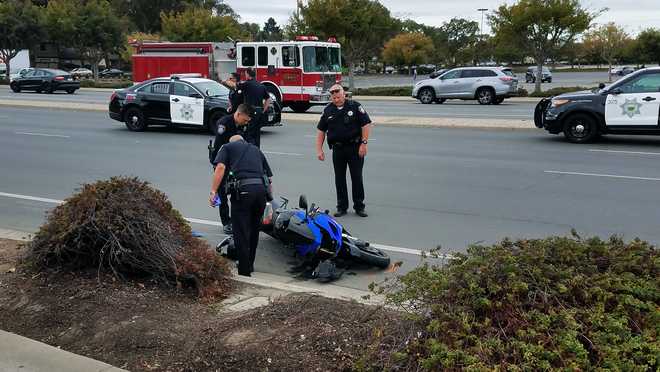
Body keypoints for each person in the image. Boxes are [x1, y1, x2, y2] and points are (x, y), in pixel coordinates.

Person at [209, 135, 273, 277]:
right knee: (254, 231)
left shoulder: (227, 147)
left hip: (243, 192)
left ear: (232, 142)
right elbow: (268, 178)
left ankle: (244, 271)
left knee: (241, 232)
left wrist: (214, 191)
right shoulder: (256, 150)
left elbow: (220, 167)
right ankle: (250, 265)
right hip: (260, 193)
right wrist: (268, 200)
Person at [315, 84, 372, 218]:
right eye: (333, 98)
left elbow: (366, 124)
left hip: (354, 148)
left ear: (344, 94)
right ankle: (341, 206)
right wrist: (319, 149)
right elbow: (321, 130)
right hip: (338, 149)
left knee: (356, 177)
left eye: (338, 97)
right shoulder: (328, 110)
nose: (336, 100)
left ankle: (359, 206)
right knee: (339, 179)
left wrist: (364, 144)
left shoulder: (355, 106)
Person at [209, 104, 253, 234]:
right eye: (245, 120)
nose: (246, 123)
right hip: (222, 161)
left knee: (236, 192)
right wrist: (218, 166)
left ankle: (236, 220)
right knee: (222, 193)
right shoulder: (224, 124)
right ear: (238, 114)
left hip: (236, 162)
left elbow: (247, 141)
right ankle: (226, 222)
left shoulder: (243, 123)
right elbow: (219, 147)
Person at [238, 68, 271, 147]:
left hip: (250, 112)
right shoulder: (261, 85)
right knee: (257, 133)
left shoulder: (246, 84)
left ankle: (250, 151)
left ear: (248, 75)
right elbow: (268, 99)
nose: (245, 75)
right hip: (259, 112)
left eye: (246, 74)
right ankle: (257, 150)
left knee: (249, 133)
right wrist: (263, 109)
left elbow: (235, 86)